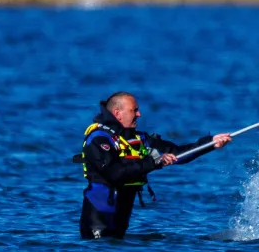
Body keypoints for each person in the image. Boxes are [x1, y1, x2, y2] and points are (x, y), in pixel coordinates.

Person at [79, 92, 232, 240]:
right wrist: (153, 163)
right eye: (134, 110)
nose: (139, 114)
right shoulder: (98, 139)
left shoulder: (141, 140)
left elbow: (178, 154)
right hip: (97, 224)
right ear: (118, 113)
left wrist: (211, 143)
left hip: (120, 223)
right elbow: (114, 172)